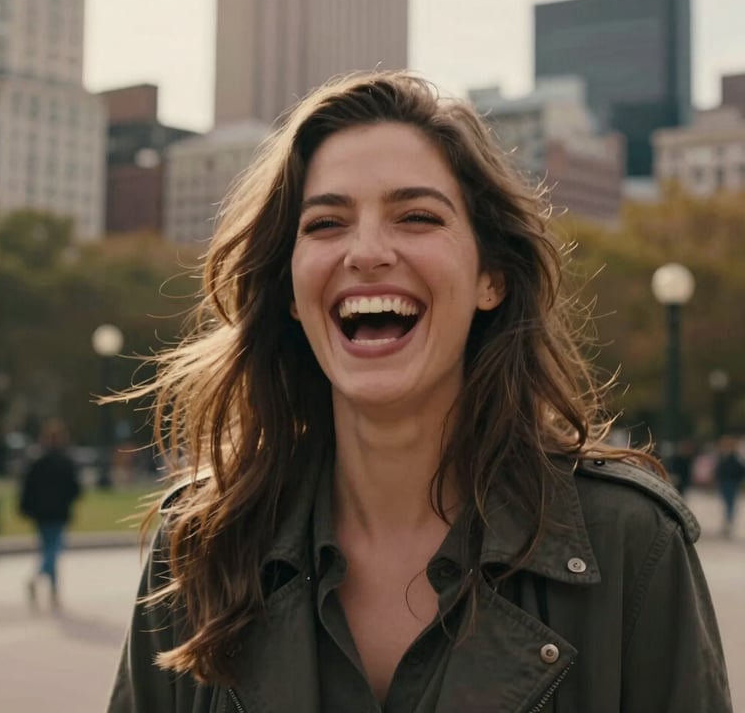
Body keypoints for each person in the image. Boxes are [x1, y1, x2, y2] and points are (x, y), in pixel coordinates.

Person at [108, 72, 731, 712]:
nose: (367, 252)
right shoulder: (201, 546)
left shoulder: (632, 543)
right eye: (326, 223)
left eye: (416, 217)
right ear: (290, 292)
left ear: (491, 277)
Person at [19, 417, 81, 610]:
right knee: (53, 550)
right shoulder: (65, 462)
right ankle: (40, 579)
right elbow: (75, 489)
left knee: (48, 548)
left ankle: (53, 590)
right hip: (58, 512)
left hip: (41, 513)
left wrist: (26, 508)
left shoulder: (38, 461)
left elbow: (27, 488)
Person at [715, 434, 745, 537]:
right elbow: (719, 470)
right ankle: (727, 522)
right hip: (724, 483)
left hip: (732, 483)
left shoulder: (735, 458)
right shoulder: (723, 456)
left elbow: (741, 470)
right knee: (726, 503)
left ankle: (729, 523)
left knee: (730, 504)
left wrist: (737, 480)